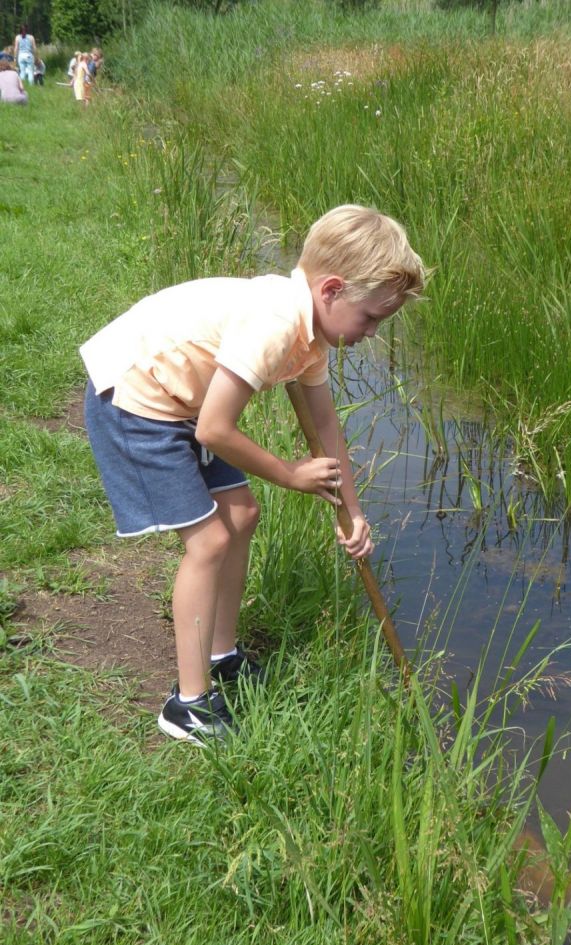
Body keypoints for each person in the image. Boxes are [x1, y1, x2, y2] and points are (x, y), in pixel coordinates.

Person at [79, 205, 427, 746]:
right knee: (211, 540)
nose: (372, 332)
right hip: (135, 396)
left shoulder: (310, 331)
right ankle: (187, 706)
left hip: (182, 400)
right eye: (372, 319)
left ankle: (221, 655)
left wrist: (352, 510)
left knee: (242, 513)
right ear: (332, 290)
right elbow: (216, 430)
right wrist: (290, 474)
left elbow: (325, 424)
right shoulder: (276, 323)